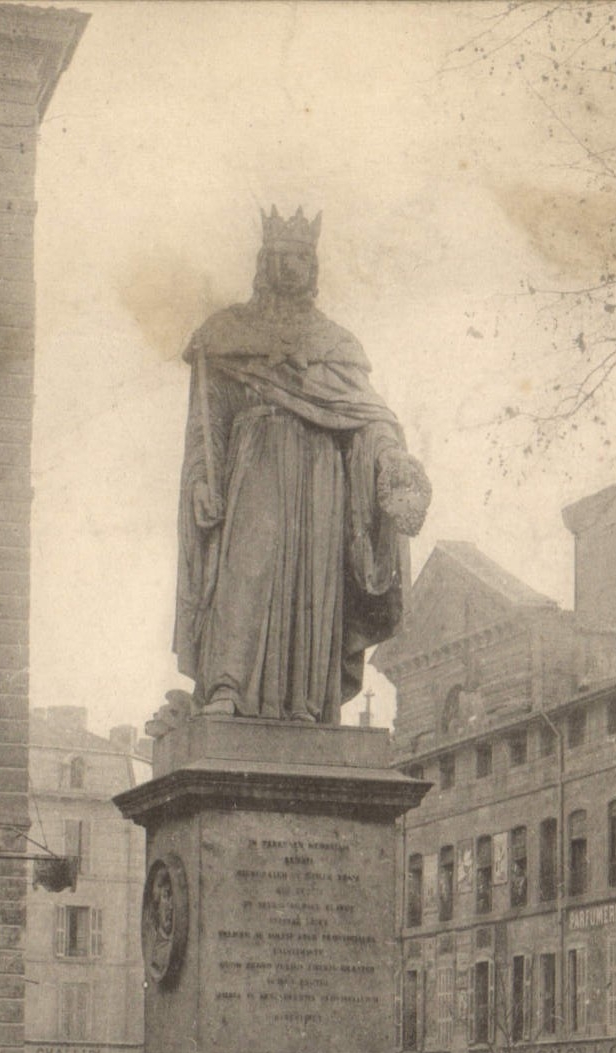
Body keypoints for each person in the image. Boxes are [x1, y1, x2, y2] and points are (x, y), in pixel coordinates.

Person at [175, 207, 430, 723]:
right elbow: (208, 421)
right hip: (255, 468)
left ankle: (307, 702)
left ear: (313, 267)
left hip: (321, 479)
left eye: (301, 258)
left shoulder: (336, 344)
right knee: (246, 572)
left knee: (315, 588)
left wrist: (390, 459)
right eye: (282, 257)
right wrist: (202, 477)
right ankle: (227, 685)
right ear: (264, 262)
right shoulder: (228, 333)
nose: (292, 268)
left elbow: (367, 418)